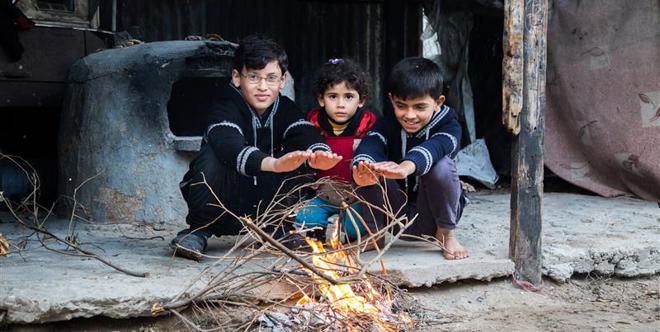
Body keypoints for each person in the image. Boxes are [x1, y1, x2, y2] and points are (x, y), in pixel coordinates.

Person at [171, 34, 341, 260]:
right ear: (237, 77)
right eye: (254, 77)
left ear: (282, 81)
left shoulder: (286, 108)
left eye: (271, 78)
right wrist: (273, 164)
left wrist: (319, 153)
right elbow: (228, 145)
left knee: (299, 156)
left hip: (264, 206)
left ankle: (277, 227)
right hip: (223, 204)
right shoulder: (224, 105)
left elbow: (304, 132)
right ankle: (197, 231)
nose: (263, 87)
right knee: (212, 154)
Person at [352, 57, 469, 260]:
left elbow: (439, 146)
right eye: (401, 105)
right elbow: (372, 144)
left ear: (438, 102)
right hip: (396, 218)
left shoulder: (449, 124)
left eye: (420, 107)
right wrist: (362, 170)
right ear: (391, 100)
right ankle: (375, 234)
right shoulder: (387, 124)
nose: (409, 115)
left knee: (441, 165)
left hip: (433, 218)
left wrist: (407, 166)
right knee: (366, 165)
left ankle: (447, 234)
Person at [294, 58, 376, 242]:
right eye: (333, 96)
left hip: (358, 197)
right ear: (321, 99)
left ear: (361, 100)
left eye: (348, 96)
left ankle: (343, 228)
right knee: (303, 223)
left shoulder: (369, 125)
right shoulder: (313, 125)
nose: (340, 104)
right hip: (324, 195)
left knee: (353, 231)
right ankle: (319, 234)